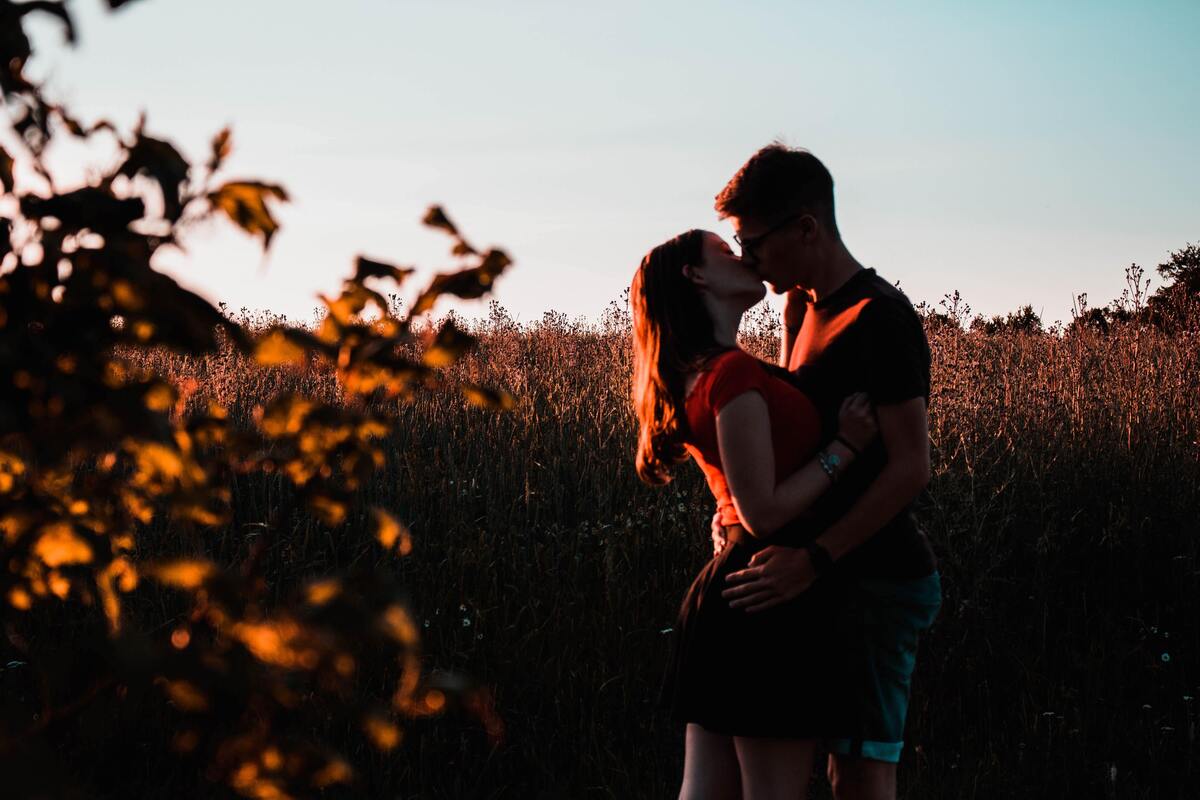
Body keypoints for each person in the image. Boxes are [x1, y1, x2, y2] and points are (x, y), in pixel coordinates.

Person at [712, 144, 942, 800]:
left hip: (877, 580)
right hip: (819, 576)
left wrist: (812, 560)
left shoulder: (881, 319)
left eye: (752, 244)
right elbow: (796, 439)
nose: (748, 261)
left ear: (806, 228)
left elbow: (909, 468)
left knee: (858, 775)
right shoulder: (796, 310)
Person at [630, 229, 879, 800]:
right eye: (725, 252)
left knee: (704, 792)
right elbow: (764, 510)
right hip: (767, 595)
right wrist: (847, 447)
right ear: (697, 277)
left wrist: (794, 314)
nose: (742, 256)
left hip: (730, 593)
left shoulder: (709, 371)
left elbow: (746, 480)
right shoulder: (731, 375)